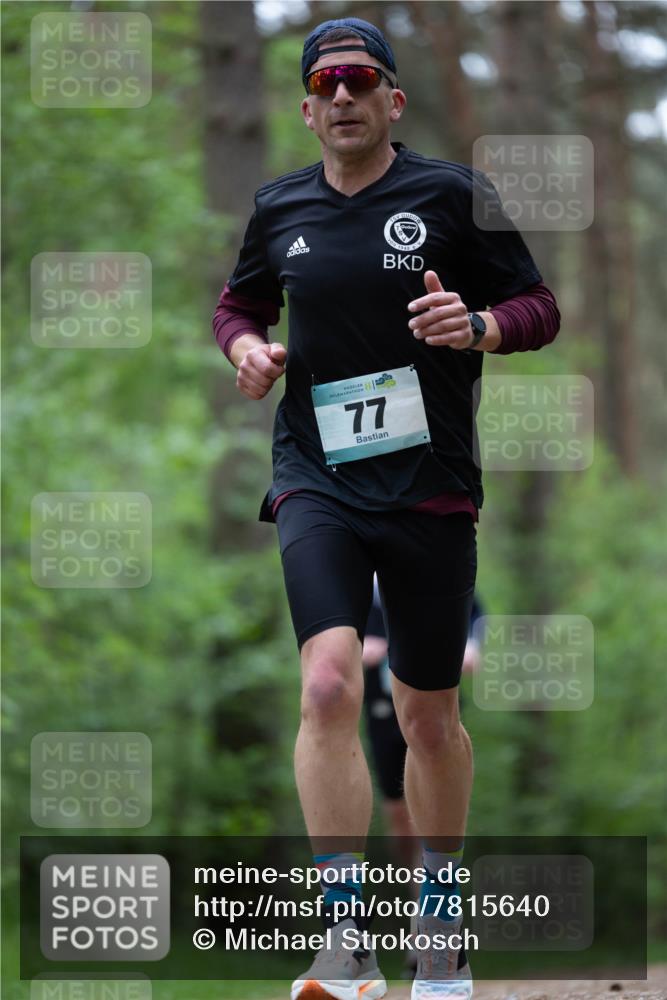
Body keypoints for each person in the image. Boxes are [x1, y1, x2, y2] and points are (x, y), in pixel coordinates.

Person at [212, 17, 560, 1000]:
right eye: (324, 84)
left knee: (427, 714)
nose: (342, 97)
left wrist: (481, 324)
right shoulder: (278, 207)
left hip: (431, 483)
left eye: (360, 80)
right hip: (316, 474)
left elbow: (539, 303)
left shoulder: (450, 195)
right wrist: (245, 349)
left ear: (391, 100)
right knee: (324, 685)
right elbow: (238, 306)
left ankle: (440, 930)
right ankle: (343, 941)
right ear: (305, 106)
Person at [362, 582, 484, 979]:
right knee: (401, 823)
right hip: (380, 710)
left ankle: (431, 927)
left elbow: (476, 614)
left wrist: (471, 648)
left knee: (430, 819)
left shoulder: (424, 552)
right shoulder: (352, 570)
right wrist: (358, 650)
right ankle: (422, 912)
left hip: (434, 705)